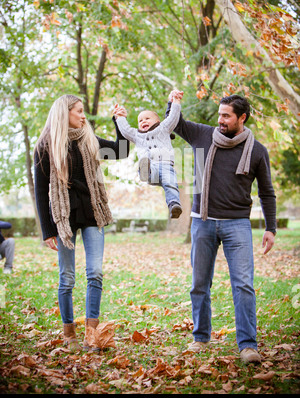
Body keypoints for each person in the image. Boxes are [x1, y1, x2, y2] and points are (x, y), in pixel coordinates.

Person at [166, 91, 276, 364]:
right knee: (199, 284)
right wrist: (173, 102)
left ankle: (248, 345)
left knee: (243, 286)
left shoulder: (257, 151)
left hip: (237, 224)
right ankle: (201, 338)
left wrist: (270, 227)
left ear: (242, 118)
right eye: (220, 114)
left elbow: (267, 193)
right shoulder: (203, 136)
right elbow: (175, 123)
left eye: (227, 116)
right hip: (202, 222)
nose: (221, 120)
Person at [34, 94, 129, 351]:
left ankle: (91, 334)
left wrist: (119, 122)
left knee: (95, 273)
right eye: (79, 111)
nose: (83, 115)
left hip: (91, 214)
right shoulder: (45, 146)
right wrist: (47, 231)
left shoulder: (89, 139)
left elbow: (123, 150)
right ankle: (69, 334)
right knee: (67, 278)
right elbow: (41, 192)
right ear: (65, 114)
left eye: (83, 111)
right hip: (63, 219)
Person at [113, 91, 183, 219]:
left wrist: (176, 102)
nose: (143, 121)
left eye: (147, 118)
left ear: (157, 120)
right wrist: (120, 117)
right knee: (150, 170)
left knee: (171, 183)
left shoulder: (163, 128)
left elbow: (173, 117)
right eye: (140, 120)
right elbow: (125, 130)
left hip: (166, 165)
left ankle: (174, 205)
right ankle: (144, 170)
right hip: (152, 169)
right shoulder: (137, 135)